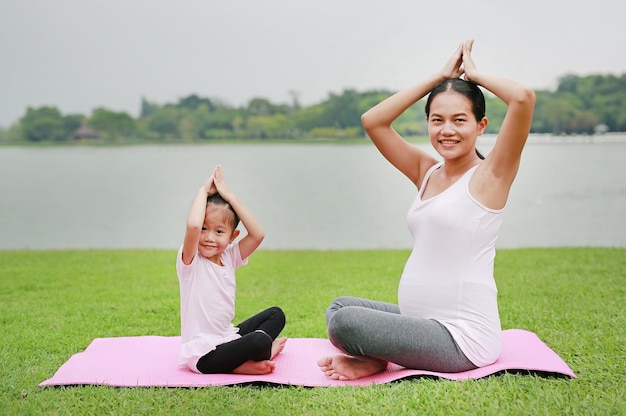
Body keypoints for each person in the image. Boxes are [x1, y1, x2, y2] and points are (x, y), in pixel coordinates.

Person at [317, 39, 535, 380]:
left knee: (346, 324)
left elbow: (523, 98)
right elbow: (373, 121)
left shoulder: (490, 176)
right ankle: (379, 353)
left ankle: (376, 355)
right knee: (341, 307)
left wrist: (474, 74)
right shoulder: (427, 171)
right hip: (422, 322)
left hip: (461, 339)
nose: (447, 130)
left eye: (459, 120)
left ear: (481, 126)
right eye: (437, 120)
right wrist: (438, 78)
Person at [177, 164, 287, 375]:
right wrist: (203, 191)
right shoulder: (191, 262)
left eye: (219, 231)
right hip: (203, 355)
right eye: (204, 229)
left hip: (228, 337)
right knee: (259, 340)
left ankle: (243, 361)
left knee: (276, 314)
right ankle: (253, 359)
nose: (209, 237)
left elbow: (258, 234)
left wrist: (229, 194)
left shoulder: (229, 256)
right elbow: (191, 225)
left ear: (232, 236)